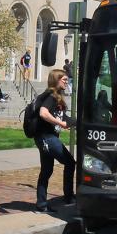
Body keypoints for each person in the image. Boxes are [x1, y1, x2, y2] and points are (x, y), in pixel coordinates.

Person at [33, 69, 76, 212]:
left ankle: (41, 204)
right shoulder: (51, 96)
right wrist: (60, 124)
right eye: (64, 80)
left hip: (47, 137)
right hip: (47, 137)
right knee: (70, 162)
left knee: (46, 170)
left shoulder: (57, 97)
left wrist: (74, 122)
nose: (66, 82)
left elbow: (62, 117)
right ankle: (69, 197)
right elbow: (43, 113)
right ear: (56, 80)